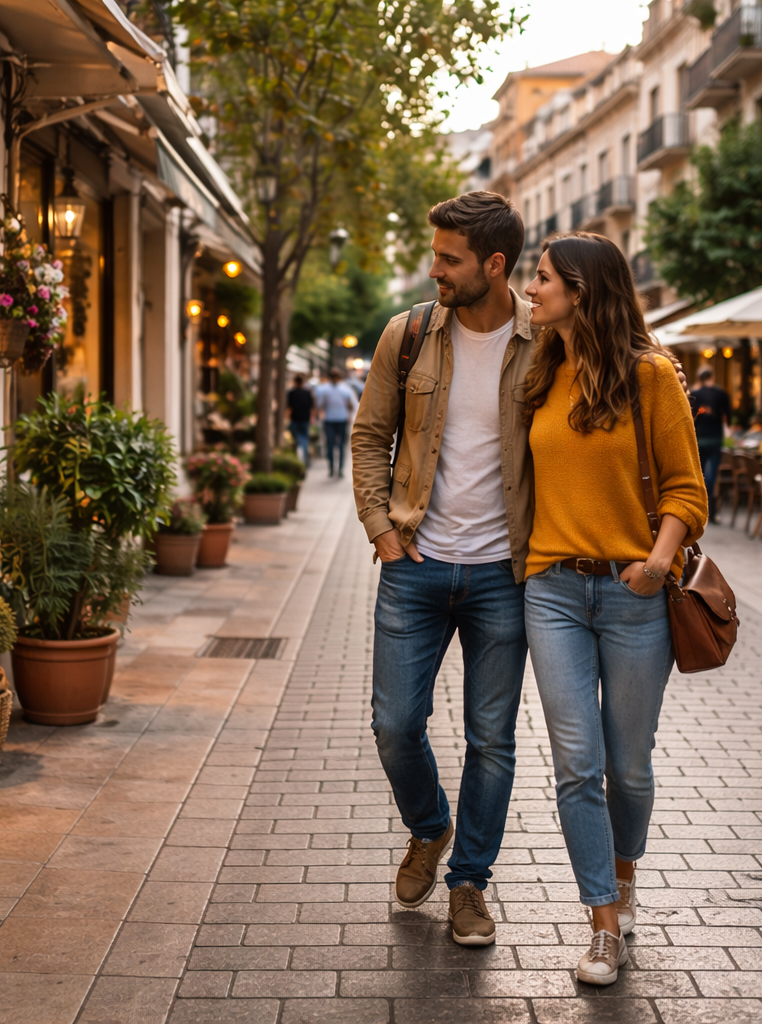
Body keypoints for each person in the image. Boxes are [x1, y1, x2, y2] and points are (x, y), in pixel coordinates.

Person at [349, 190, 534, 949]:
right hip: (417, 565)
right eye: (434, 255)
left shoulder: (546, 339)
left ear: (493, 264)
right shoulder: (411, 333)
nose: (435, 270)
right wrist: (381, 531)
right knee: (395, 725)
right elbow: (369, 438)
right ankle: (430, 828)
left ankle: (469, 884)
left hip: (506, 575)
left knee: (492, 737)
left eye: (449, 259)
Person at [520, 233, 707, 986]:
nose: (529, 292)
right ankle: (602, 922)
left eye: (540, 280)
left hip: (634, 596)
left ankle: (624, 873)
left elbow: (686, 489)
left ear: (582, 291)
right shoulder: (539, 373)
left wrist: (658, 562)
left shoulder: (650, 376)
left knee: (628, 767)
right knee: (576, 764)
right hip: (553, 591)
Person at [688, 367, 730, 522]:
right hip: (715, 437)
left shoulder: (695, 394)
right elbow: (728, 416)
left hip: (700, 437)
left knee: (700, 472)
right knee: (712, 475)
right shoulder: (721, 394)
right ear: (712, 376)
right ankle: (711, 509)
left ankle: (700, 506)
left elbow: (690, 416)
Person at [314, 368, 358, 478]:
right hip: (330, 420)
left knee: (339, 446)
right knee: (331, 445)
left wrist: (349, 417)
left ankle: (339, 469)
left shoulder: (344, 390)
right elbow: (320, 405)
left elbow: (351, 405)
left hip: (340, 419)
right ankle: (333, 468)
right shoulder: (325, 390)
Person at [286, 374, 315, 469]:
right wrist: (311, 418)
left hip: (295, 419)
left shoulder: (291, 393)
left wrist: (287, 418)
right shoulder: (307, 393)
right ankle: (306, 460)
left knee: (295, 440)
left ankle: (296, 460)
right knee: (304, 440)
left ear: (295, 382)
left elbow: (289, 408)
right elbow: (311, 407)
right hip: (305, 419)